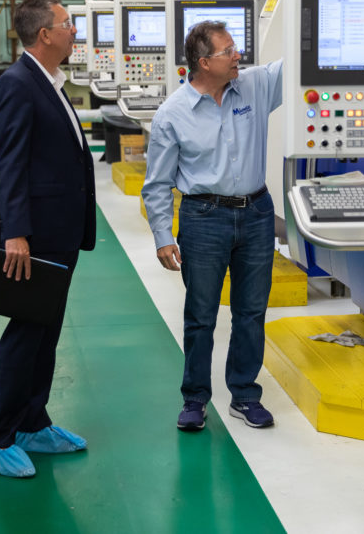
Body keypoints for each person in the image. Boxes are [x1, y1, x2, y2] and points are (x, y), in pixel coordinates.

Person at [141, 21, 283, 432]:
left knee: (251, 310)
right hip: (203, 218)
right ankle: (195, 398)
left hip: (257, 212)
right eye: (228, 51)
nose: (238, 55)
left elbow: (294, 63)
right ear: (204, 62)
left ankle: (244, 394)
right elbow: (157, 184)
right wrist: (163, 236)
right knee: (201, 314)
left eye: (236, 48)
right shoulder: (173, 114)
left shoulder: (255, 86)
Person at [0, 0, 96, 478]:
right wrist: (17, 235)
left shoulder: (49, 81)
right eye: (68, 24)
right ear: (45, 34)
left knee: (46, 333)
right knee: (26, 335)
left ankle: (32, 422)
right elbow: (9, 165)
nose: (75, 32)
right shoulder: (17, 84)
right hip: (33, 238)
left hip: (59, 231)